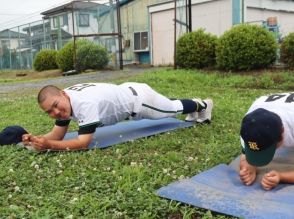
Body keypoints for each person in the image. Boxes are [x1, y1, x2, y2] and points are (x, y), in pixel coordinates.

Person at [22, 82, 213, 151]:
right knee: (166, 105)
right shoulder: (65, 102)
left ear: (63, 94)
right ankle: (191, 104)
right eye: (49, 111)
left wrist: (48, 146)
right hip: (128, 92)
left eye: (55, 106)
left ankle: (203, 105)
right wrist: (36, 140)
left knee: (172, 108)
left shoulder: (83, 103)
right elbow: (57, 135)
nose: (55, 113)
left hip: (139, 101)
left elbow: (83, 143)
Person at [239, 92, 294, 190]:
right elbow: (245, 157)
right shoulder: (250, 122)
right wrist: (248, 168)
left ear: (282, 131)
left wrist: (282, 177)